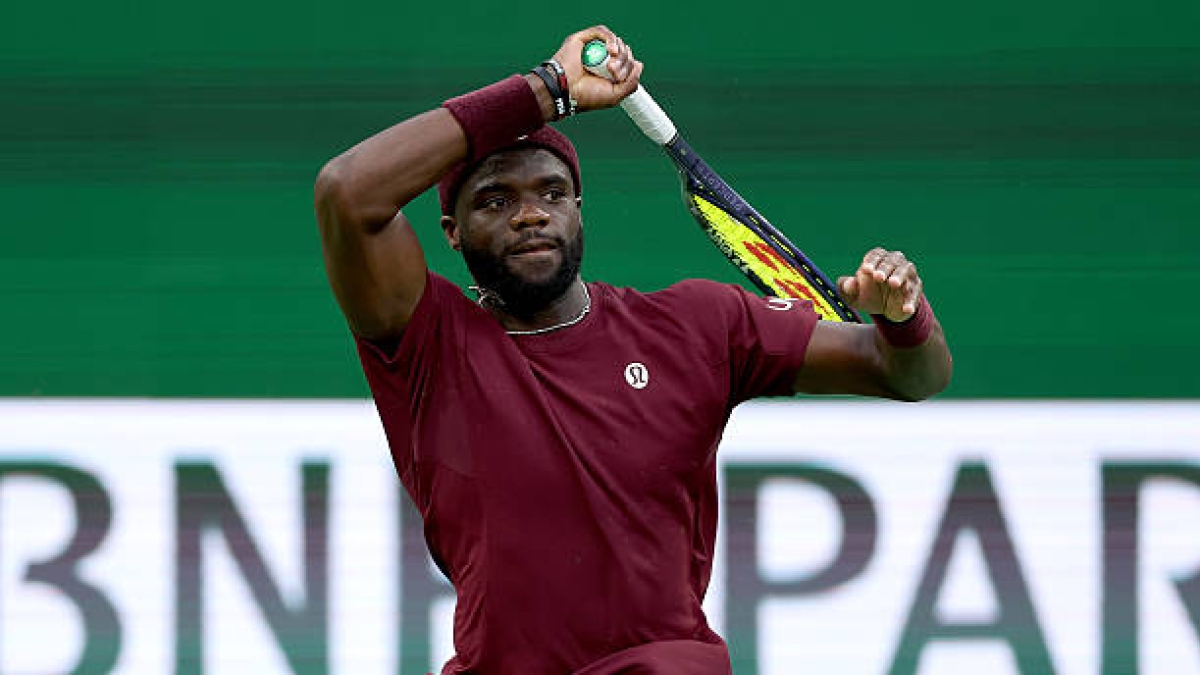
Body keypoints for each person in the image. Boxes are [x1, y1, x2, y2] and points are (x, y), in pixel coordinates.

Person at [315, 25, 951, 675]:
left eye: (551, 193)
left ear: (580, 209)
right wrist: (549, 90)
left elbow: (909, 373)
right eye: (496, 200)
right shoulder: (428, 345)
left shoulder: (699, 325)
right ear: (452, 231)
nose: (530, 214)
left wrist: (902, 317)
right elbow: (347, 192)